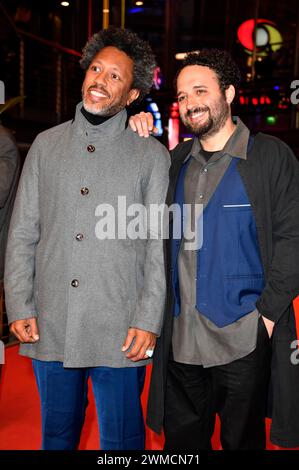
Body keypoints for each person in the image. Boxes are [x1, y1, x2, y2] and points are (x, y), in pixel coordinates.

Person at [4, 27, 170, 450]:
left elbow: (156, 244)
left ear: (132, 95)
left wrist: (148, 319)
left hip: (122, 329)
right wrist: (19, 301)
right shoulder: (45, 144)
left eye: (116, 76)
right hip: (51, 321)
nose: (101, 80)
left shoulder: (150, 154)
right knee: (56, 436)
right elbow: (23, 229)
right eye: (97, 68)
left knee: (123, 441)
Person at [129, 49, 299, 449]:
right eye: (182, 95)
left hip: (243, 337)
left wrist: (267, 317)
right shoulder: (172, 162)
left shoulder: (269, 156)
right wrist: (129, 128)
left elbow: (293, 237)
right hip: (180, 343)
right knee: (182, 448)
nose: (190, 103)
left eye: (200, 91)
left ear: (229, 93)